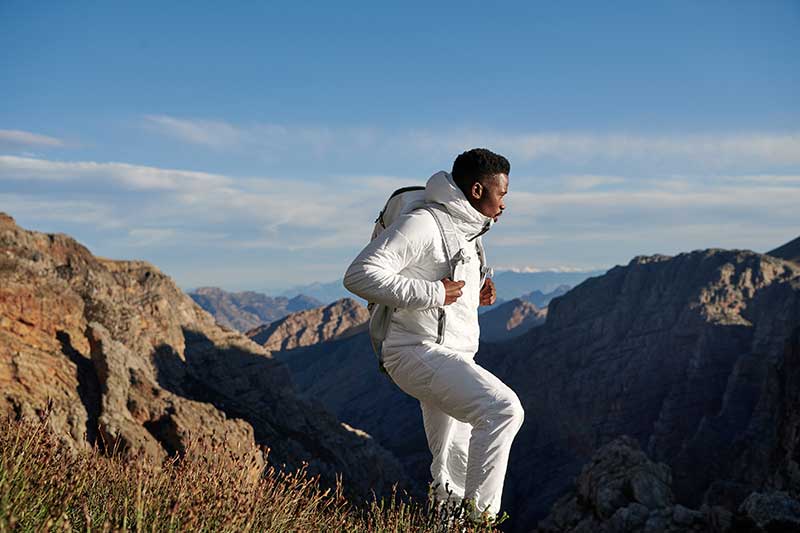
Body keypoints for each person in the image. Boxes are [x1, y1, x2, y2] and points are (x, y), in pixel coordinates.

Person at [342, 148, 524, 524]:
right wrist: (434, 293)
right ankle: (479, 523)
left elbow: (443, 281)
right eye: (502, 193)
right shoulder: (424, 222)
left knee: (452, 467)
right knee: (502, 409)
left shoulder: (468, 230)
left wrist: (476, 290)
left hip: (451, 355)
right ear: (477, 190)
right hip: (414, 350)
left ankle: (452, 525)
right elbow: (359, 274)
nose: (505, 203)